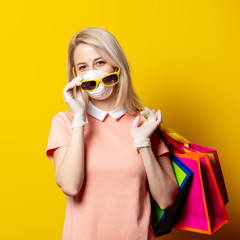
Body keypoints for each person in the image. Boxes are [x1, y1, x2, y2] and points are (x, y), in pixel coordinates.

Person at [46, 27, 178, 240]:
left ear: (116, 64)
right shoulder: (65, 121)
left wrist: (144, 142)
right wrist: (79, 118)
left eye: (100, 62)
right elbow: (70, 185)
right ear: (76, 75)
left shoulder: (145, 121)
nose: (92, 72)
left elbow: (165, 199)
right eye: (82, 67)